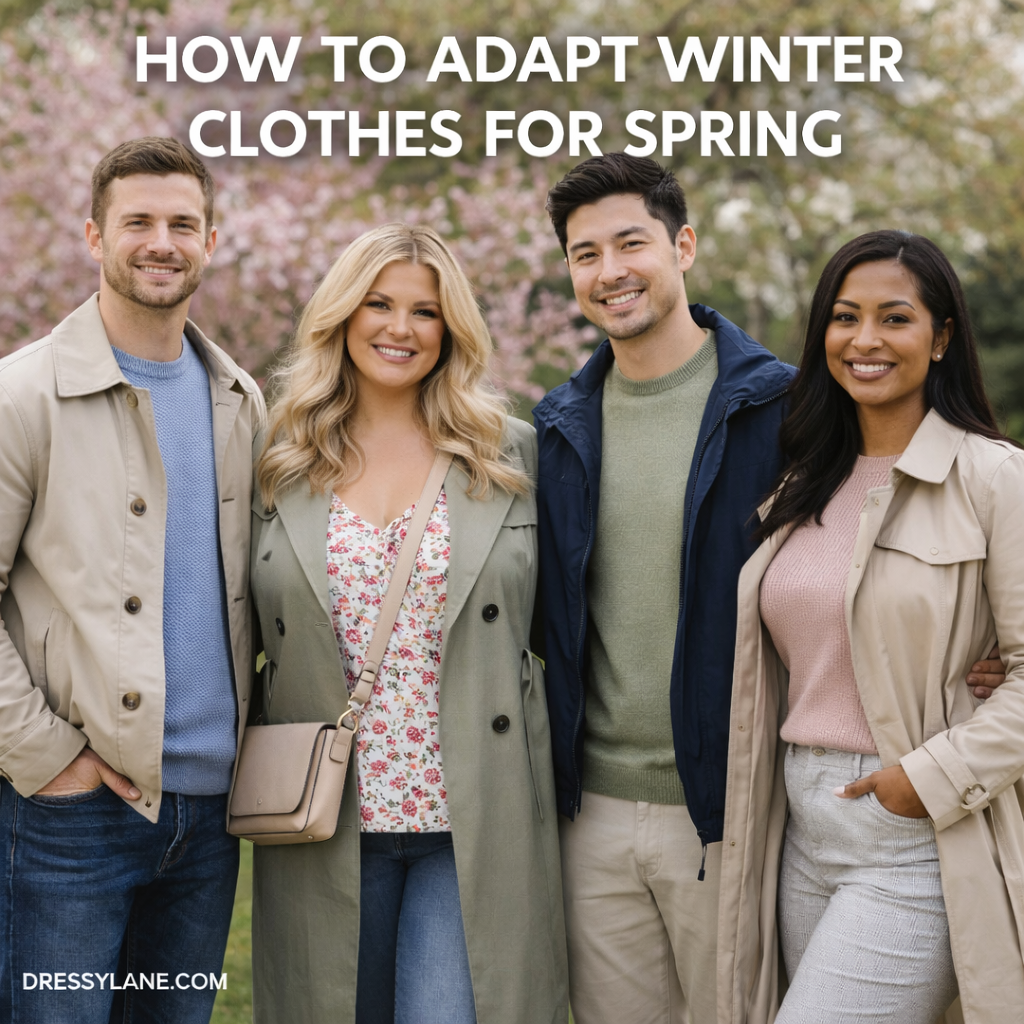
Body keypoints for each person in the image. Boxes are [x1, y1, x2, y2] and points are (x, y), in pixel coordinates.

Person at [531, 155, 1007, 1024]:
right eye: (584, 253)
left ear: (684, 245)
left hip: (738, 807)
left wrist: (968, 683)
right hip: (612, 811)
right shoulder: (558, 428)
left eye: (630, 243)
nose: (610, 271)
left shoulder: (782, 414)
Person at [248, 222, 568, 1024]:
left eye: (424, 312)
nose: (399, 328)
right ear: (342, 316)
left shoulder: (508, 456)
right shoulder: (275, 457)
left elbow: (561, 630)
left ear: (450, 328)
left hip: (471, 820)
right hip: (323, 816)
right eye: (378, 304)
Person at [717, 229, 1024, 1024]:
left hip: (916, 832)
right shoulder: (801, 481)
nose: (865, 341)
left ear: (943, 336)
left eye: (895, 318)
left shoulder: (993, 479)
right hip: (801, 830)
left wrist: (921, 780)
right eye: (845, 317)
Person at [0, 137, 264, 1023]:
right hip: (69, 819)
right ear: (91, 235)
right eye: (138, 222)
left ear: (212, 241)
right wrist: (50, 759)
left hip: (208, 820)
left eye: (183, 223)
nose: (162, 242)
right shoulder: (23, 397)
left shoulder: (240, 400)